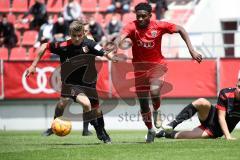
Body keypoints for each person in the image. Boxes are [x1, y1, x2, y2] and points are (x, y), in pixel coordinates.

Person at [115, 3, 202, 143]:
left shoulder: (159, 26)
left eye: (144, 16)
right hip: (139, 70)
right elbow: (121, 37)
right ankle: (150, 130)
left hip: (157, 66)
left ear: (150, 15)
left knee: (154, 92)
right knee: (143, 104)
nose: (141, 19)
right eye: (139, 16)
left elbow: (181, 29)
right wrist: (113, 47)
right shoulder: (132, 26)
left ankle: (157, 110)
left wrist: (192, 50)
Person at [26, 20, 118, 143]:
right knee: (78, 104)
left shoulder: (89, 44)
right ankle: (56, 124)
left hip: (89, 83)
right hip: (70, 83)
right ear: (70, 33)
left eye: (79, 35)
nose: (76, 38)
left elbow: (104, 51)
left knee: (97, 109)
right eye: (74, 36)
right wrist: (33, 65)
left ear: (83, 34)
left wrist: (112, 57)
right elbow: (44, 46)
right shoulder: (63, 46)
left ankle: (101, 131)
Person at [42, 23, 98, 137]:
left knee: (87, 104)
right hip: (71, 80)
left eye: (87, 31)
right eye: (85, 30)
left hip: (88, 80)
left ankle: (86, 129)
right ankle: (53, 126)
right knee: (63, 102)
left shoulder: (90, 42)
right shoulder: (70, 42)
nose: (85, 33)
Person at [156, 78, 240, 140]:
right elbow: (221, 117)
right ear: (236, 85)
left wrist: (225, 134)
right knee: (201, 101)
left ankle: (163, 133)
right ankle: (172, 124)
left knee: (183, 136)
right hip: (213, 117)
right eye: (239, 87)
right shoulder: (225, 93)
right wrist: (228, 136)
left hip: (216, 130)